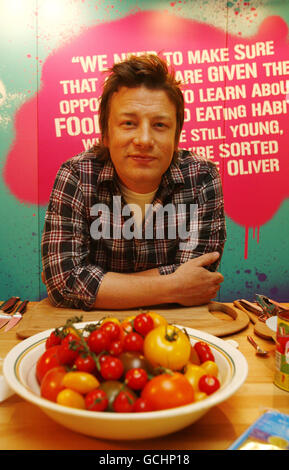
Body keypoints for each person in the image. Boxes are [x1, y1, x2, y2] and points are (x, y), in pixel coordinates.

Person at [41, 54, 226, 311]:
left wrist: (100, 285)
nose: (144, 140)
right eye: (129, 123)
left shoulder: (202, 176)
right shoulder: (77, 175)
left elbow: (198, 280)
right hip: (92, 334)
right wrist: (174, 285)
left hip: (177, 332)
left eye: (160, 125)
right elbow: (64, 282)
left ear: (176, 136)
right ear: (105, 133)